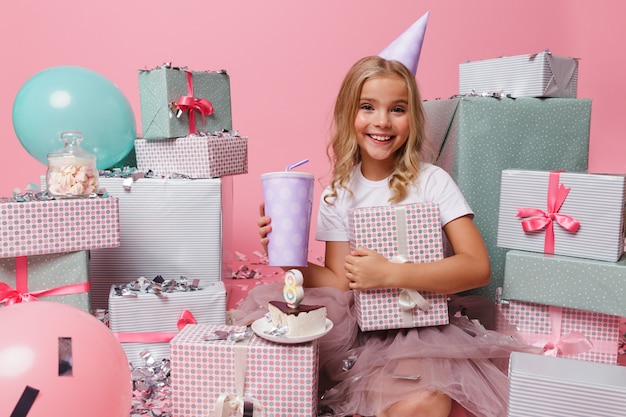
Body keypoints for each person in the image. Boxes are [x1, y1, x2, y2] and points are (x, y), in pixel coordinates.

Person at [232, 55, 534, 417]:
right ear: (349, 115)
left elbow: (477, 267)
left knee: (425, 402)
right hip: (359, 332)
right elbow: (339, 282)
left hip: (423, 329)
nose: (382, 121)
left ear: (413, 119)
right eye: (367, 107)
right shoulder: (338, 192)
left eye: (397, 109)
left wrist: (392, 274)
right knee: (290, 377)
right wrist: (286, 257)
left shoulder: (432, 181)